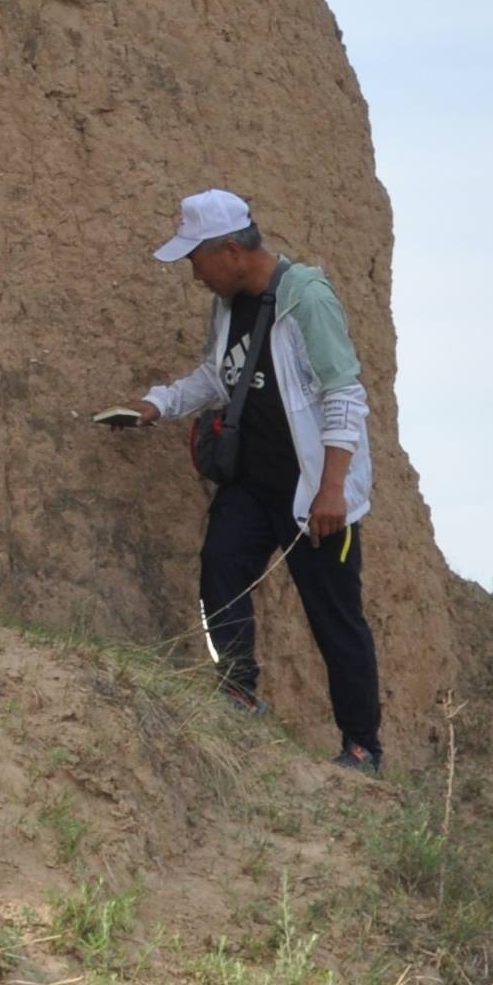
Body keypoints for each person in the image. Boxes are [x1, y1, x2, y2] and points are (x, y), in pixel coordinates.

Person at [115, 185, 383, 773]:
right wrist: (158, 404)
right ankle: (237, 692)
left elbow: (344, 394)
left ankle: (362, 748)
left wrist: (332, 490)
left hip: (312, 494)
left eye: (196, 260)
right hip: (253, 483)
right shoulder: (228, 304)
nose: (194, 276)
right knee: (220, 568)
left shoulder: (305, 299)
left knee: (334, 619)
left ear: (231, 250)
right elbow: (219, 377)